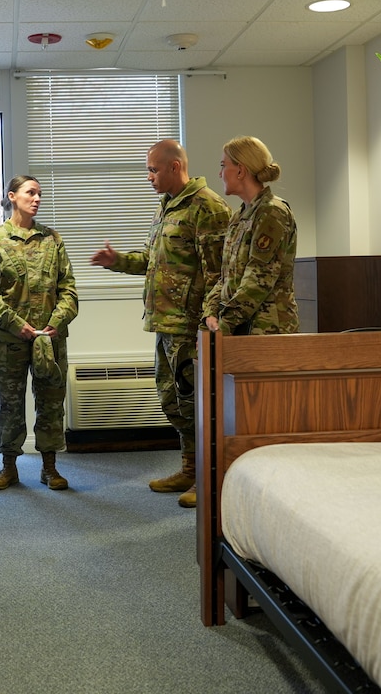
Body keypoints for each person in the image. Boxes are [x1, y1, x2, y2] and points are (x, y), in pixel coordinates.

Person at [90, 139, 230, 508]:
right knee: (174, 403)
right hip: (165, 323)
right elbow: (155, 261)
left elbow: (220, 274)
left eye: (153, 169)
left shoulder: (208, 207)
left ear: (175, 166)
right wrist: (117, 260)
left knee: (199, 404)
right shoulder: (167, 207)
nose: (148, 176)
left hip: (191, 327)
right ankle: (189, 467)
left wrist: (207, 323)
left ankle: (209, 478)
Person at [0, 175, 78, 491]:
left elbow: (69, 289)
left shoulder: (52, 239)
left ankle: (50, 468)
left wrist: (57, 321)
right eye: (30, 193)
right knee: (8, 404)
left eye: (39, 194)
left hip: (49, 339)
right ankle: (8, 467)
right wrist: (13, 322)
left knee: (50, 402)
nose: (36, 198)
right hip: (10, 340)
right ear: (12, 196)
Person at [203, 135, 299, 338]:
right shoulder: (240, 216)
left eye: (223, 165)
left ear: (240, 171)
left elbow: (259, 279)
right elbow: (225, 277)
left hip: (267, 332)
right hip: (241, 328)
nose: (219, 174)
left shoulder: (272, 212)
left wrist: (223, 323)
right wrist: (210, 314)